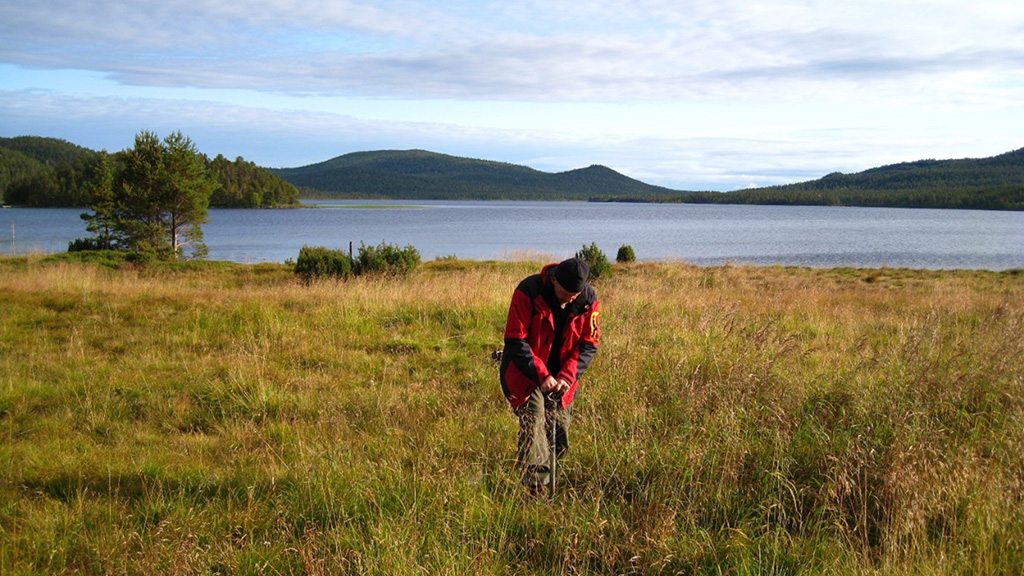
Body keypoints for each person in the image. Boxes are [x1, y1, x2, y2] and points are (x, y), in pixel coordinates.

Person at [499, 257, 601, 494]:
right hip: (526, 375)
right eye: (565, 293)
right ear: (554, 280)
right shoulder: (528, 290)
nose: (570, 299)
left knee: (559, 431)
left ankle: (551, 475)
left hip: (563, 379)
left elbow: (589, 343)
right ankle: (536, 492)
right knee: (534, 424)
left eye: (575, 294)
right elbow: (515, 339)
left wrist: (566, 377)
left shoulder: (588, 300)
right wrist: (543, 376)